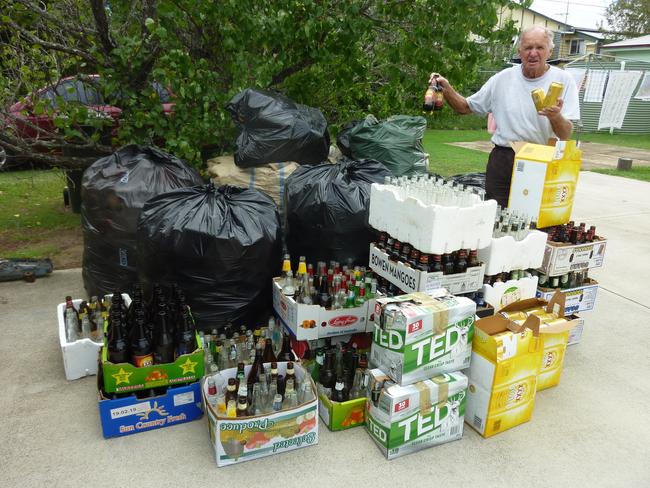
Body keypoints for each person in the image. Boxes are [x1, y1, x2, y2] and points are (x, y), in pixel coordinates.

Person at [431, 25, 580, 207]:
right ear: (520, 51)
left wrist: (555, 116)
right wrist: (446, 88)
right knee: (496, 216)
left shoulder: (563, 80)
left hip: (542, 159)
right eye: (528, 48)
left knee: (534, 220)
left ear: (550, 51)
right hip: (503, 158)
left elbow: (565, 134)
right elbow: (465, 107)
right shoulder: (502, 79)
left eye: (539, 47)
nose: (533, 53)